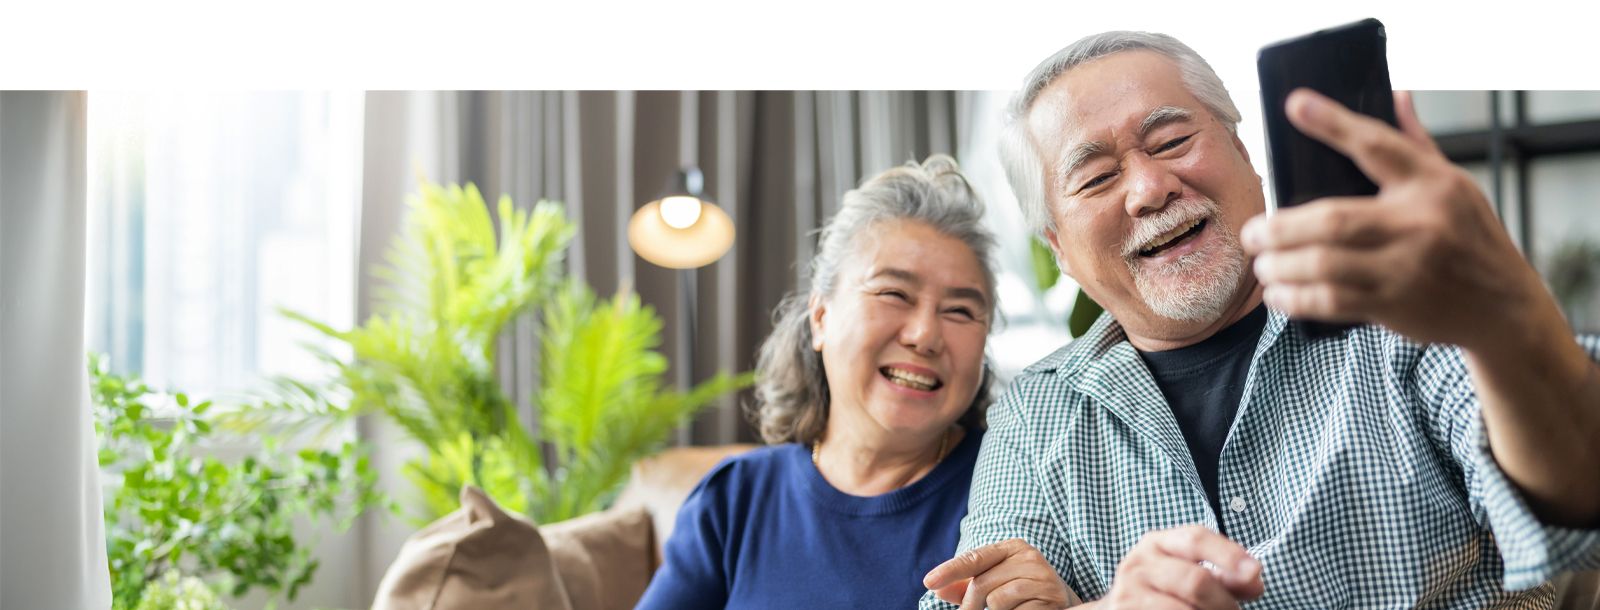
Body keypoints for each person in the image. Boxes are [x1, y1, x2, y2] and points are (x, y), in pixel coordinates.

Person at [919, 31, 1600, 609]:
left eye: (1172, 140)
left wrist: (1504, 318)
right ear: (1060, 250)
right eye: (1096, 178)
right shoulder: (1038, 412)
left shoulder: (1401, 316)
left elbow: (1581, 504)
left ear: (1246, 156)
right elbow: (964, 596)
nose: (1150, 189)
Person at [634, 155, 1003, 608]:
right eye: (894, 293)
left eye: (960, 311)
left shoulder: (1012, 490)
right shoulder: (734, 498)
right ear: (821, 317)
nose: (925, 335)